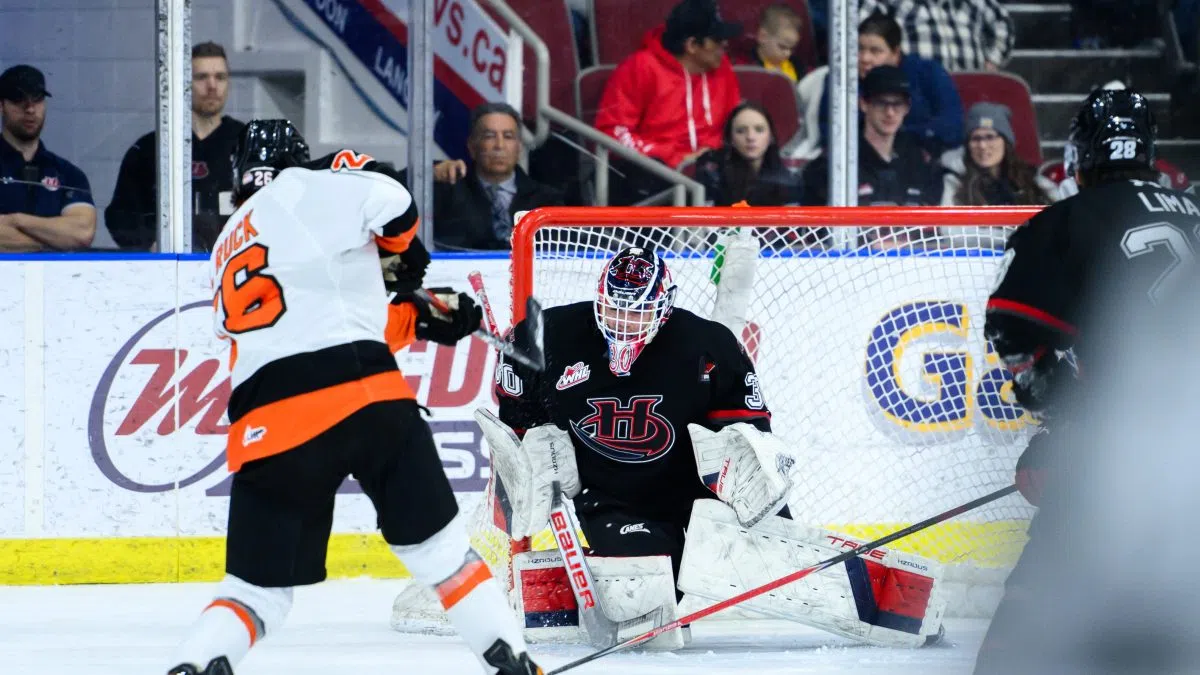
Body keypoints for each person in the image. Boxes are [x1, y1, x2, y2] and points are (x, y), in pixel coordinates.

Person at [168, 119, 542, 675]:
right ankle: (513, 664)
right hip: (367, 401)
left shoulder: (225, 245)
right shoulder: (318, 185)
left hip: (267, 428)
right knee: (444, 561)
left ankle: (193, 665)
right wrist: (398, 258)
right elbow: (394, 202)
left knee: (255, 594)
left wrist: (416, 315)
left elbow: (313, 323)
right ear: (301, 158)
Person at [484, 246, 947, 650]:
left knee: (774, 560)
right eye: (614, 310)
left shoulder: (706, 344)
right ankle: (588, 585)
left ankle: (903, 607)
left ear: (663, 308)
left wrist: (739, 461)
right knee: (645, 584)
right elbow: (515, 420)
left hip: (699, 489)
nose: (624, 323)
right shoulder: (543, 335)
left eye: (637, 313)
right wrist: (534, 447)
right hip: (612, 499)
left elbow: (751, 428)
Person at [975, 88, 1200, 674]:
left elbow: (1013, 331)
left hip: (1122, 459)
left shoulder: (1067, 220)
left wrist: (1058, 421)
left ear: (1080, 153)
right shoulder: (1195, 210)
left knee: (1029, 626)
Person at [595, 0, 742, 204]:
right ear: (691, 45)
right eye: (717, 39)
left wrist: (709, 155)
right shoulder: (640, 67)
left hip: (710, 169)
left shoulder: (722, 68)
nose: (724, 45)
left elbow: (735, 122)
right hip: (658, 173)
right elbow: (612, 133)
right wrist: (675, 157)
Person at [106, 41, 245, 252]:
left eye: (220, 77)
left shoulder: (246, 143)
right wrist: (152, 245)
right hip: (166, 270)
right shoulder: (151, 149)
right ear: (184, 83)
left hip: (232, 264)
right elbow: (120, 216)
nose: (212, 86)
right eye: (201, 77)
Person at [803, 65, 942, 248]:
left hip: (913, 266)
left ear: (907, 107)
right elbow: (815, 235)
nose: (890, 112)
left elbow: (933, 231)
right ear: (864, 104)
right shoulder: (833, 164)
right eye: (881, 103)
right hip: (851, 266)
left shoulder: (921, 162)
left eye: (897, 104)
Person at [416, 102, 563, 251]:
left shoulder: (546, 200)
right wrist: (430, 173)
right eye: (489, 136)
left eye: (508, 136)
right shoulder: (449, 190)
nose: (499, 145)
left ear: (519, 147)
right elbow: (396, 191)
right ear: (472, 147)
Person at [818, 10, 964, 157]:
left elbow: (953, 127)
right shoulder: (841, 79)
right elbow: (831, 132)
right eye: (859, 49)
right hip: (862, 162)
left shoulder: (929, 72)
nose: (864, 58)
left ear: (896, 53)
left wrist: (899, 137)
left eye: (875, 51)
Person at [0, 64, 96, 251]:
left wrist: (14, 220)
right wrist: (54, 242)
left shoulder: (67, 173)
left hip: (55, 280)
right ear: (1, 105)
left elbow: (82, 232)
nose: (30, 109)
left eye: (37, 99)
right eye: (19, 100)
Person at [694, 101, 802, 207]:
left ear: (771, 137)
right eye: (741, 131)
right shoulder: (712, 176)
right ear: (730, 138)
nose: (750, 137)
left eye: (759, 130)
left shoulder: (788, 182)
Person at [858, 0, 1014, 72]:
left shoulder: (974, 3)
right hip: (916, 93)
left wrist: (993, 60)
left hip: (969, 87)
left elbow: (1002, 22)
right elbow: (853, 24)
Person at [744, 4, 805, 82]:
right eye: (782, 47)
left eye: (792, 48)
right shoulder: (749, 67)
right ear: (763, 36)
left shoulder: (796, 66)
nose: (788, 53)